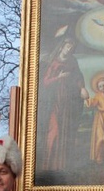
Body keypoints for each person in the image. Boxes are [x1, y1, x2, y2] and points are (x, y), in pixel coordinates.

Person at [38, 36, 89, 173]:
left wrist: (82, 88)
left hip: (67, 102)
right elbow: (45, 82)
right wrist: (58, 78)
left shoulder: (73, 62)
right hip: (54, 102)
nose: (69, 49)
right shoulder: (53, 62)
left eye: (72, 47)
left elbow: (78, 77)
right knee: (55, 131)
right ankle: (48, 166)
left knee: (65, 132)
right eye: (68, 46)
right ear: (62, 47)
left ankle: (61, 167)